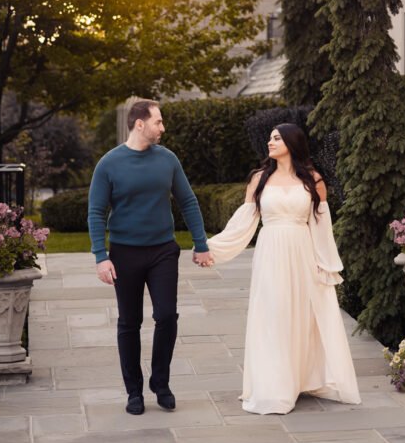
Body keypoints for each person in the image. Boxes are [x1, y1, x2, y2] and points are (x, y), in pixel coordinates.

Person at [202, 123, 360, 414]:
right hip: (271, 252)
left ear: (291, 143)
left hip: (302, 254)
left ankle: (299, 378)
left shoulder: (313, 180)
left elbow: (322, 226)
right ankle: (273, 386)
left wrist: (326, 264)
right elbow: (244, 222)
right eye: (270, 138)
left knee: (299, 316)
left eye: (276, 138)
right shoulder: (259, 179)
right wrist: (211, 248)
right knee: (272, 314)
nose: (270, 142)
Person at [87, 99, 214, 415]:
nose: (163, 127)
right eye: (158, 121)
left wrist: (201, 244)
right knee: (130, 322)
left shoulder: (167, 160)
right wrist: (101, 256)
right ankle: (134, 392)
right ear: (139, 123)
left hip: (162, 251)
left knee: (167, 316)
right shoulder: (109, 164)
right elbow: (96, 212)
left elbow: (188, 202)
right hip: (124, 253)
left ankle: (161, 383)